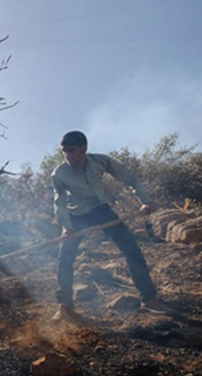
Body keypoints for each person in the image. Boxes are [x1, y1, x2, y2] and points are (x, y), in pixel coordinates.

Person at [51, 130, 171, 321]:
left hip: (101, 210)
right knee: (65, 258)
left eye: (73, 150)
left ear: (84, 149)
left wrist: (145, 201)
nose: (69, 155)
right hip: (76, 216)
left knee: (132, 250)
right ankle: (65, 307)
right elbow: (59, 202)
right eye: (65, 151)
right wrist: (66, 227)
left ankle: (149, 299)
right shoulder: (59, 173)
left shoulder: (101, 161)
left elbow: (130, 178)